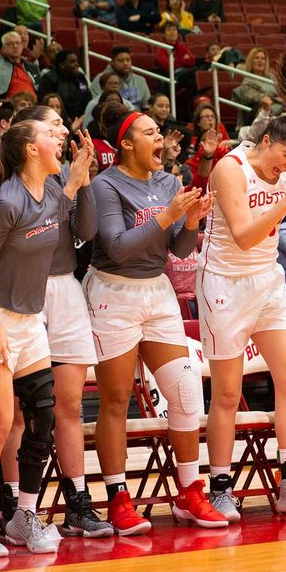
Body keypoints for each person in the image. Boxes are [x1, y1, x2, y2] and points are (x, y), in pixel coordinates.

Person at [200, 52, 286, 520]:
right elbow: (242, 235)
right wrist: (285, 204)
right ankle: (221, 486)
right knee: (225, 392)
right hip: (224, 281)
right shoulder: (229, 168)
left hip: (266, 283)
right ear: (265, 141)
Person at [85, 99, 222, 533]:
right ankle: (118, 499)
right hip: (113, 292)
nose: (159, 137)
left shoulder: (169, 181)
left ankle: (189, 492)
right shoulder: (105, 185)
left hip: (156, 291)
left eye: (158, 131)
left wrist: (193, 222)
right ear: (126, 144)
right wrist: (170, 214)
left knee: (185, 389)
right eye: (149, 132)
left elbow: (178, 250)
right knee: (115, 400)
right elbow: (118, 246)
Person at [0, 112, 93, 554]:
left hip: (30, 319)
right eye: (49, 136)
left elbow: (67, 213)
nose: (59, 139)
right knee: (0, 424)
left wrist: (77, 181)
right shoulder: (6, 203)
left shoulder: (51, 192)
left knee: (42, 424)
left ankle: (24, 516)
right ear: (30, 150)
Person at [0, 105, 116, 538]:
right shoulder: (11, 188)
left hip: (64, 289)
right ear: (31, 137)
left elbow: (87, 229)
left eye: (64, 122)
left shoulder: (66, 175)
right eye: (54, 124)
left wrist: (85, 182)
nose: (64, 129)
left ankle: (77, 500)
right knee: (19, 414)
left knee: (70, 406)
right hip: (21, 295)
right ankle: (13, 503)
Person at [0, 31, 40, 100]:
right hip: (8, 106)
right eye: (10, 44)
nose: (15, 46)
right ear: (4, 48)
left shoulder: (32, 67)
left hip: (34, 106)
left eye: (17, 43)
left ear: (22, 46)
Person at [232, 47, 284, 126]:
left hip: (279, 107)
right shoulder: (247, 80)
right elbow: (254, 97)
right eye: (257, 58)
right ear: (251, 61)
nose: (260, 60)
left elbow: (282, 91)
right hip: (261, 111)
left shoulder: (271, 77)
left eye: (263, 58)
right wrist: (274, 98)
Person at [37, 49, 92, 121]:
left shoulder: (80, 78)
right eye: (72, 62)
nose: (77, 64)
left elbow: (87, 98)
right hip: (57, 118)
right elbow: (44, 104)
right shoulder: (49, 79)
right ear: (62, 65)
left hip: (80, 118)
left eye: (77, 61)